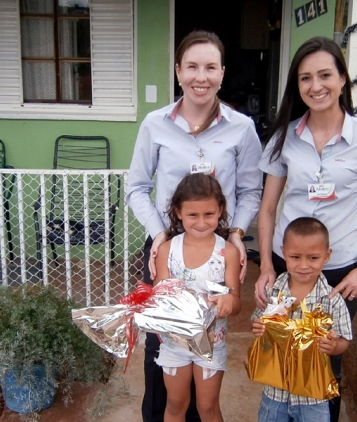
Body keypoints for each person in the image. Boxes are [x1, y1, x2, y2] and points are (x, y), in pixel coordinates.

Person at [254, 36, 357, 422]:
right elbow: (267, 209)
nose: (315, 86)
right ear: (296, 87)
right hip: (289, 268)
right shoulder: (284, 138)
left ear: (343, 78)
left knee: (324, 359)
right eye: (305, 78)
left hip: (338, 274)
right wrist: (267, 265)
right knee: (284, 356)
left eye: (325, 75)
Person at [125, 30, 262, 422]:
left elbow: (252, 189)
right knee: (164, 357)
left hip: (217, 251)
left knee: (207, 355)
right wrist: (159, 235)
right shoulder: (155, 124)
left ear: (221, 72)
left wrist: (236, 232)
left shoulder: (241, 128)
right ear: (178, 71)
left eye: (210, 67)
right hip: (167, 252)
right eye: (192, 67)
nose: (201, 77)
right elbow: (136, 187)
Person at [154, 173, 241, 422]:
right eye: (193, 215)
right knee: (175, 403)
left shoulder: (228, 252)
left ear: (220, 211)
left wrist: (228, 302)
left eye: (209, 214)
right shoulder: (167, 250)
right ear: (178, 212)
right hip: (174, 343)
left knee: (208, 407)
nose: (201, 222)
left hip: (212, 345)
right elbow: (160, 293)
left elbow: (236, 302)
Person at [251, 217, 352, 422]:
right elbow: (257, 323)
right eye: (295, 257)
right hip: (275, 390)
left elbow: (345, 340)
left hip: (313, 394)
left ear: (327, 256)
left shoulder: (332, 300)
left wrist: (334, 346)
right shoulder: (273, 292)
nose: (303, 265)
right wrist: (259, 328)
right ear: (283, 253)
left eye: (313, 258)